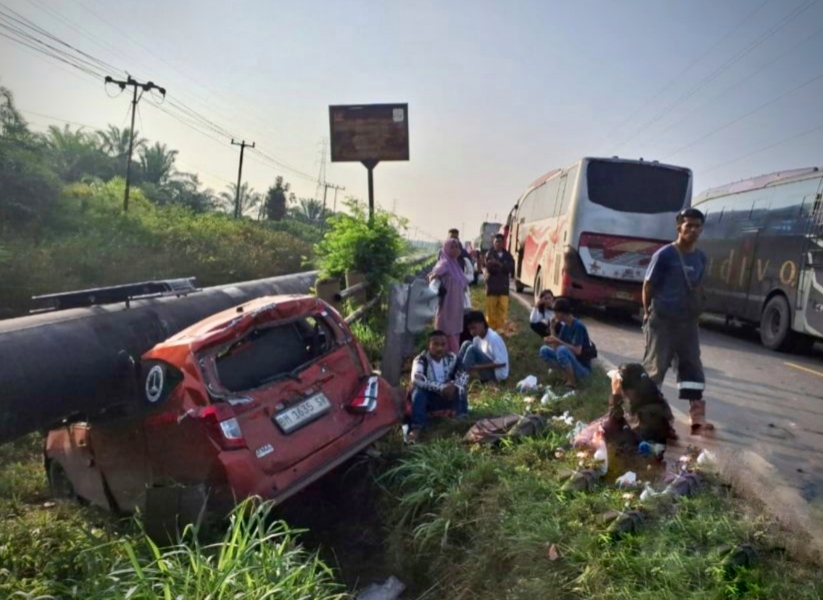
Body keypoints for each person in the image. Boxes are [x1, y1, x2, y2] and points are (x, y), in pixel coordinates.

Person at [642, 207, 712, 435]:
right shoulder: (664, 255)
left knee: (692, 366)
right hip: (663, 321)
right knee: (656, 368)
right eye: (688, 225)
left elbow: (699, 286)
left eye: (697, 226)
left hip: (688, 323)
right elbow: (648, 285)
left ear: (701, 229)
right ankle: (646, 414)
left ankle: (697, 414)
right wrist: (647, 313)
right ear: (679, 227)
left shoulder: (701, 258)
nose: (692, 230)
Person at [408, 330, 470, 443]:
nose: (440, 348)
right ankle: (417, 427)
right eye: (435, 344)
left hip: (448, 397)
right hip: (430, 399)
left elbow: (464, 374)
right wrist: (441, 388)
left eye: (443, 344)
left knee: (461, 388)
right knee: (418, 391)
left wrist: (454, 386)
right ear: (429, 345)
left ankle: (462, 421)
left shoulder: (452, 358)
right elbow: (417, 379)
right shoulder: (421, 359)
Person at [539, 298, 592, 387]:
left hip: (582, 368)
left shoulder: (578, 326)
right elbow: (555, 347)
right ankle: (566, 374)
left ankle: (571, 381)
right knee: (544, 350)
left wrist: (558, 341)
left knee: (562, 350)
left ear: (561, 313)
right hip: (571, 361)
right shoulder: (565, 326)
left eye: (556, 313)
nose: (555, 316)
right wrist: (552, 329)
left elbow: (577, 351)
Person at [429, 239, 469, 353]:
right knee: (447, 333)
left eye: (457, 247)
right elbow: (433, 276)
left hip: (457, 305)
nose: (456, 249)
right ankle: (447, 359)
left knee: (455, 333)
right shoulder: (444, 264)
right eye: (453, 247)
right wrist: (435, 283)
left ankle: (453, 359)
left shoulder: (455, 264)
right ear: (446, 249)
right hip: (447, 305)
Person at [457, 311, 509, 383]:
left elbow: (502, 363)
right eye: (470, 329)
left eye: (474, 328)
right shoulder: (476, 338)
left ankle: (459, 379)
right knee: (466, 343)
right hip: (484, 368)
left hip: (497, 374)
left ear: (482, 323)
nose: (472, 332)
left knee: (471, 349)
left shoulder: (493, 338)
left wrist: (477, 367)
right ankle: (456, 370)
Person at [483, 234, 515, 332]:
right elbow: (491, 268)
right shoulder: (489, 254)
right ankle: (491, 330)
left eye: (500, 242)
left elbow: (510, 268)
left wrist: (499, 264)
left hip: (503, 288)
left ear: (503, 243)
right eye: (496, 241)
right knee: (491, 311)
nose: (498, 244)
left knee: (503, 309)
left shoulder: (508, 255)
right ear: (493, 242)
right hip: (492, 287)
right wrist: (501, 266)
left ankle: (500, 330)